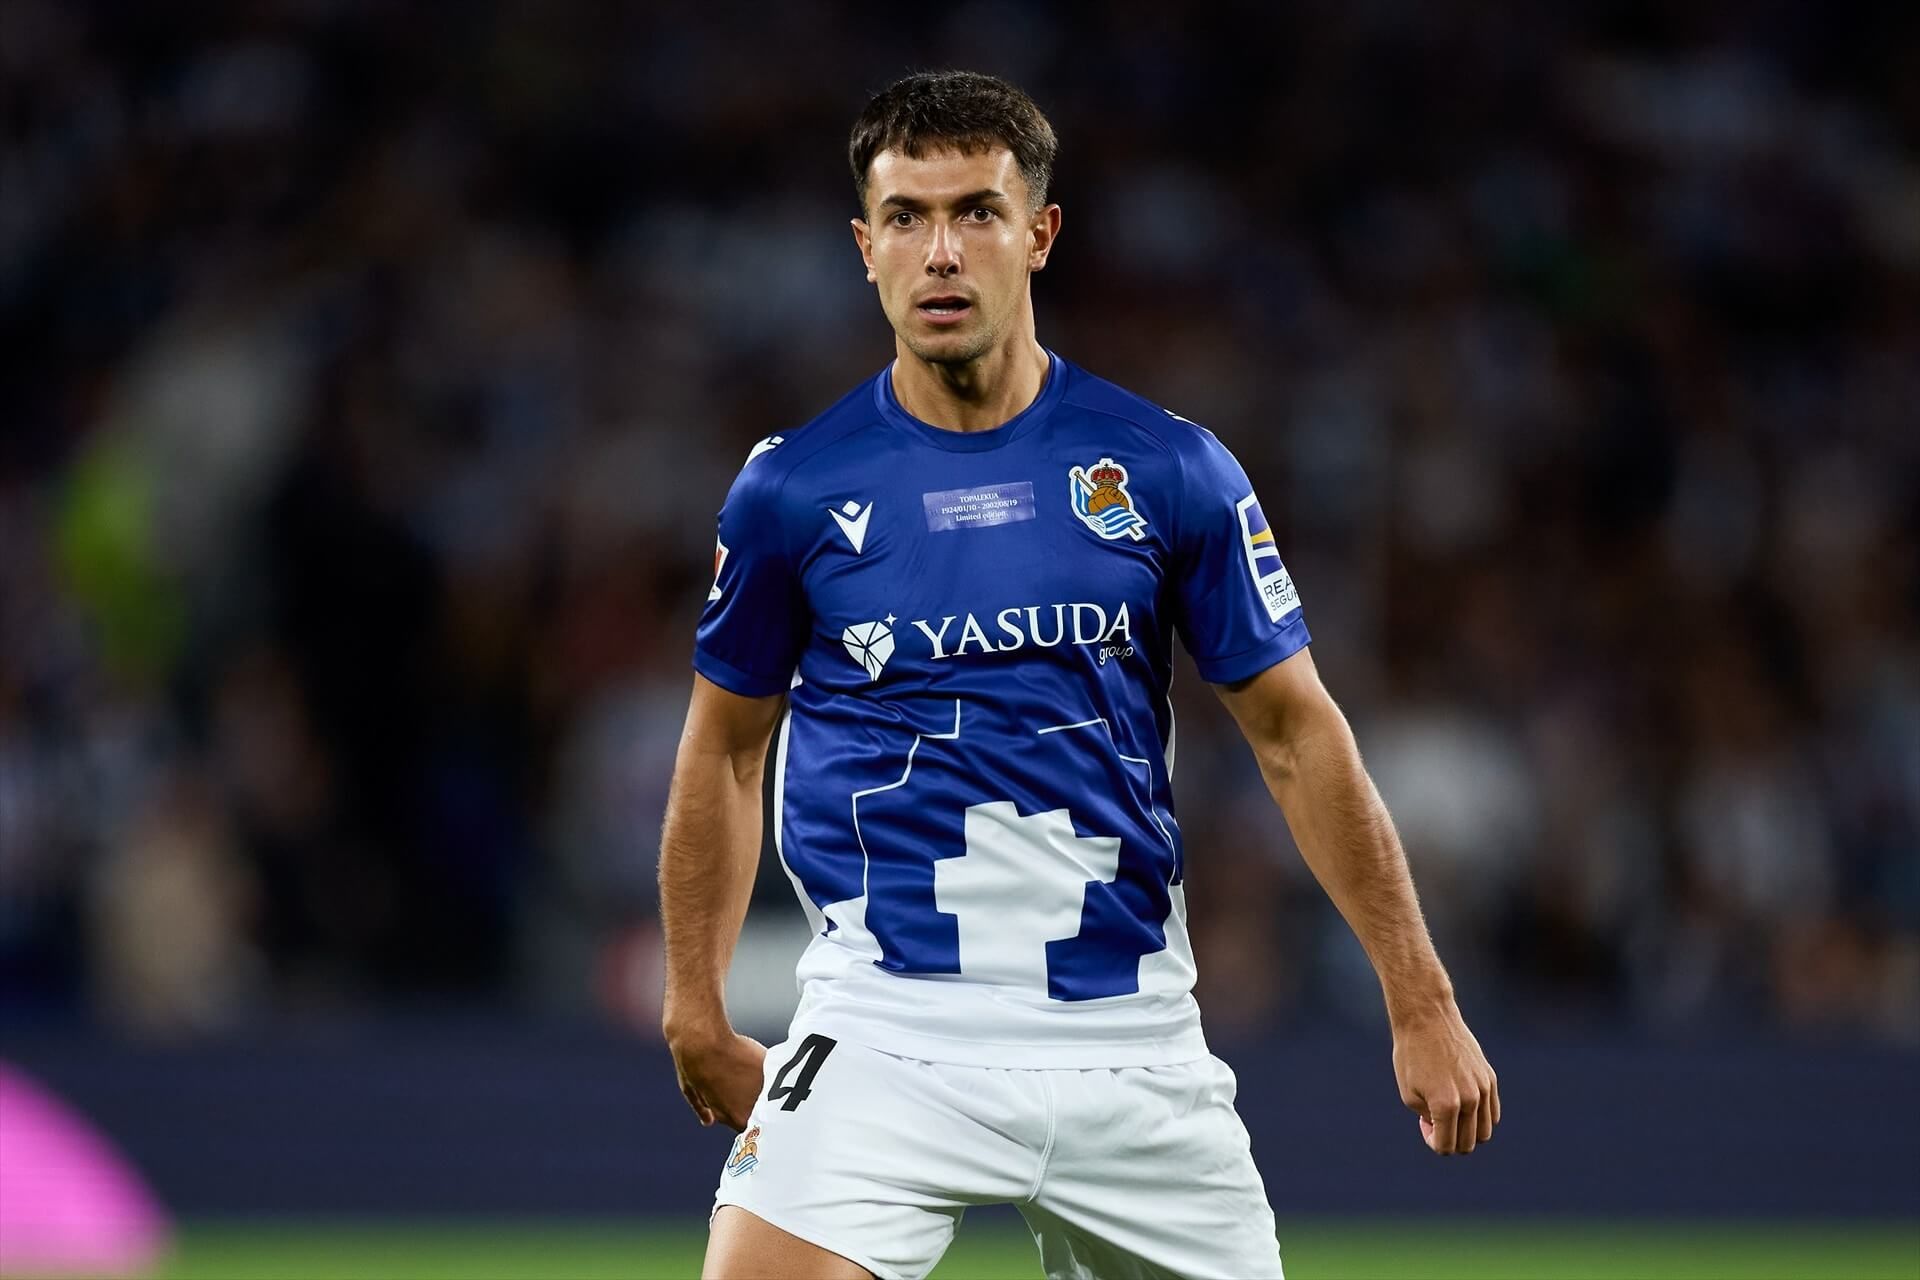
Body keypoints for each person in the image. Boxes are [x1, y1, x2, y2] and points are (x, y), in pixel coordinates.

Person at [659, 69, 1499, 1280]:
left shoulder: (1168, 469)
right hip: (890, 1032)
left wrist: (1419, 996)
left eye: (976, 213)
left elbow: (1296, 733)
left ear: (1039, 233)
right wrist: (693, 1005)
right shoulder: (793, 489)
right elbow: (726, 746)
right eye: (906, 217)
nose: (940, 251)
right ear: (864, 246)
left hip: (1130, 1038)